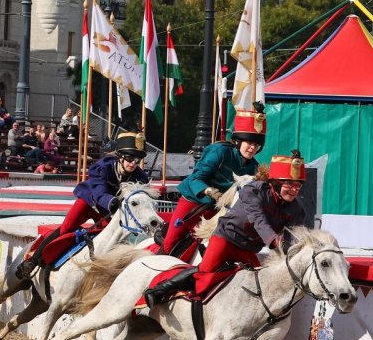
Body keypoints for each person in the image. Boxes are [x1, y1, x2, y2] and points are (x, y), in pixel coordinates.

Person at [143, 150, 307, 307]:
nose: (294, 189)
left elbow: (293, 236)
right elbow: (259, 222)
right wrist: (278, 242)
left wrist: (293, 250)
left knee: (257, 283)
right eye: (289, 184)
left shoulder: (297, 208)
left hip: (247, 249)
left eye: (298, 185)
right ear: (275, 183)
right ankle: (158, 291)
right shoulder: (254, 191)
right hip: (226, 238)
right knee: (204, 276)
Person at [16, 132, 150, 280]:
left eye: (137, 159)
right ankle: (32, 262)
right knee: (66, 227)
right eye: (129, 158)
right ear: (119, 156)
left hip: (107, 210)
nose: (133, 163)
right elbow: (99, 194)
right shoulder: (101, 167)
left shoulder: (140, 177)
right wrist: (114, 202)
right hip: (89, 202)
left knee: (113, 237)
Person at [160, 105, 267, 257]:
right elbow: (196, 179)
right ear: (238, 141)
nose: (252, 148)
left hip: (220, 211)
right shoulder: (219, 151)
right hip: (194, 202)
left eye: (256, 145)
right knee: (171, 242)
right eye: (249, 143)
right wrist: (212, 192)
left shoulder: (253, 168)